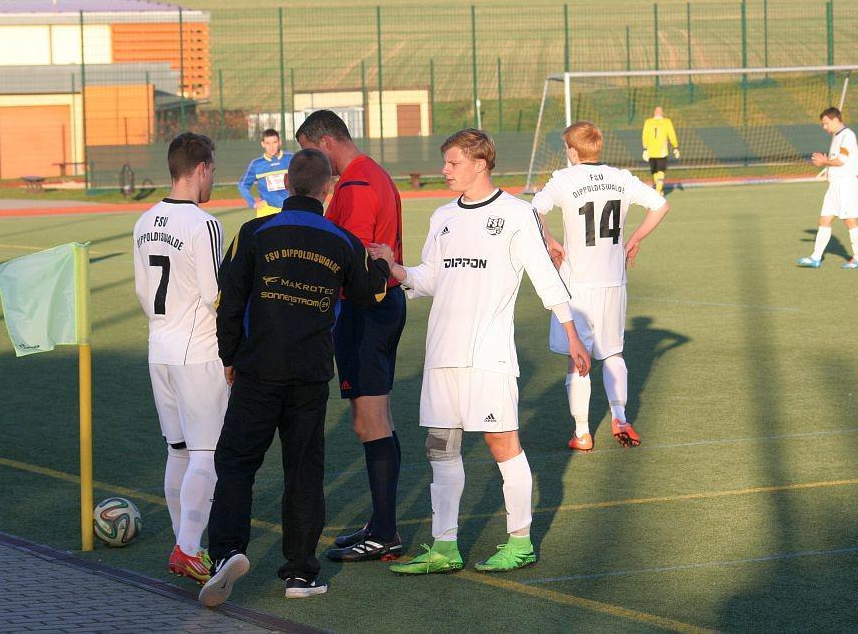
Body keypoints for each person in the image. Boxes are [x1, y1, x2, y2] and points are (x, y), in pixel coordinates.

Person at [368, 129, 591, 575]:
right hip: (441, 355)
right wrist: (394, 268)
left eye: (452, 163)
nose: (445, 170)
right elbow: (430, 278)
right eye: (445, 163)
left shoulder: (516, 214)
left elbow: (545, 277)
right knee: (440, 447)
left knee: (501, 443)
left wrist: (572, 333)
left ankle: (520, 542)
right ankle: (444, 547)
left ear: (480, 164)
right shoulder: (443, 216)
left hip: (489, 356)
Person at [200, 148, 390, 606]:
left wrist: (230, 355)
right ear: (328, 189)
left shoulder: (254, 232)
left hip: (257, 369)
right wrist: (382, 262)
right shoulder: (342, 240)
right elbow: (372, 293)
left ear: (285, 184)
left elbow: (230, 299)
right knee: (303, 471)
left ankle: (226, 553)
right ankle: (301, 574)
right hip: (309, 374)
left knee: (236, 463)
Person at [294, 110, 407, 563]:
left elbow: (354, 257)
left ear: (324, 142)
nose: (307, 160)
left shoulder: (357, 183)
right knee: (376, 418)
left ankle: (385, 533)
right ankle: (381, 525)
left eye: (307, 150)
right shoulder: (371, 172)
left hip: (367, 309)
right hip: (380, 305)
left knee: (369, 419)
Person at [534, 121, 669, 451]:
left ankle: (582, 433)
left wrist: (550, 241)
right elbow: (661, 205)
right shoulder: (621, 178)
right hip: (613, 281)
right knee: (613, 353)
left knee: (577, 357)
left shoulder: (564, 179)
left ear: (572, 151)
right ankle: (619, 416)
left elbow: (533, 210)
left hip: (577, 285)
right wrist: (635, 239)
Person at [133, 132, 228, 585]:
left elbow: (141, 291)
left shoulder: (143, 220)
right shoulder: (203, 223)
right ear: (202, 168)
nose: (214, 179)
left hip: (159, 348)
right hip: (198, 352)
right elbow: (215, 295)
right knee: (206, 454)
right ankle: (188, 548)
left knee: (178, 450)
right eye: (213, 170)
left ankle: (185, 545)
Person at [796, 107, 858, 269]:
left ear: (835, 120)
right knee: (824, 220)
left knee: (850, 220)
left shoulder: (847, 135)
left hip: (846, 186)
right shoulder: (837, 136)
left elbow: (841, 160)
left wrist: (824, 162)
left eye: (826, 123)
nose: (824, 127)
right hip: (835, 186)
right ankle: (815, 258)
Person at [238, 129, 292, 217]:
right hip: (267, 211)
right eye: (267, 143)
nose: (271, 147)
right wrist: (253, 203)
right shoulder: (256, 164)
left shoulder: (291, 159)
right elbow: (242, 185)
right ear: (262, 144)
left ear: (280, 142)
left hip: (289, 209)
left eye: (274, 142)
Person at [641, 107, 680, 195]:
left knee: (654, 171)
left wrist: (645, 149)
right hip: (662, 152)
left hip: (651, 152)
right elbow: (672, 135)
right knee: (661, 171)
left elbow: (644, 136)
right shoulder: (667, 121)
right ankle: (659, 191)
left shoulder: (648, 122)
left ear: (654, 113)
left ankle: (658, 190)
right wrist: (675, 147)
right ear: (662, 113)